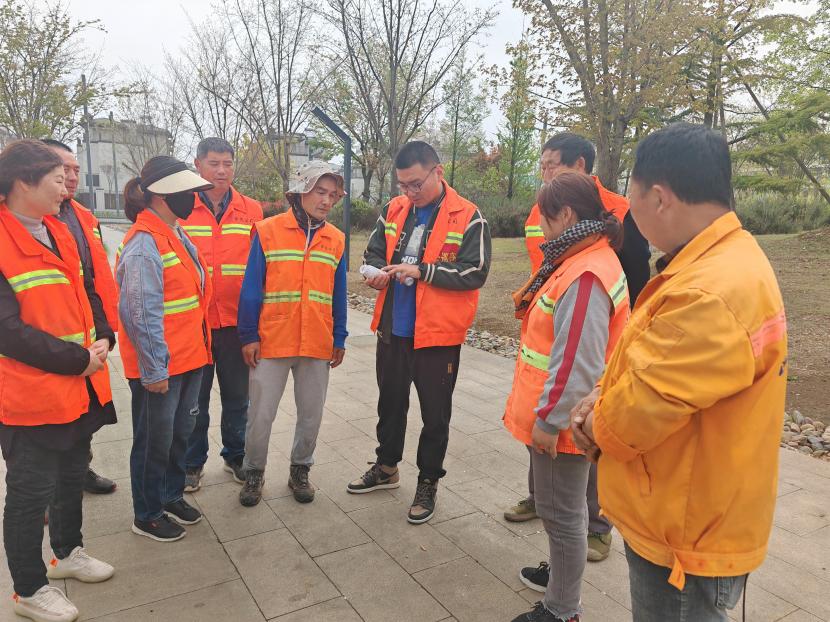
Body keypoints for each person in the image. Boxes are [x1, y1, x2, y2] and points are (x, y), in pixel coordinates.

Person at [571, 123, 787, 621]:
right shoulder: (715, 262)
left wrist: (590, 422)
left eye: (631, 197)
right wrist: (602, 392)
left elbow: (634, 416)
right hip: (682, 506)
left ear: (660, 198)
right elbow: (648, 362)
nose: (630, 210)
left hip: (686, 534)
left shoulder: (710, 291)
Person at [507, 132, 650, 565]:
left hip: (575, 383)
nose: (546, 172)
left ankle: (585, 551)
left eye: (552, 164)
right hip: (559, 352)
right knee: (560, 500)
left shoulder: (593, 262)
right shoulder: (577, 243)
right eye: (543, 165)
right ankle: (549, 521)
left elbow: (580, 359)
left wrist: (550, 420)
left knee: (568, 505)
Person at [0, 140, 115, 622]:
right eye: (56, 177)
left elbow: (84, 290)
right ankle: (29, 589)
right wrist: (77, 360)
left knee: (71, 477)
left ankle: (68, 552)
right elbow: (8, 330)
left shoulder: (57, 230)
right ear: (24, 182)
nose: (66, 185)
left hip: (76, 388)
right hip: (30, 395)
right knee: (29, 494)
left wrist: (104, 334)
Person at [506, 172, 629, 622]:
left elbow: (578, 361)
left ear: (567, 215)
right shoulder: (584, 256)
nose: (539, 226)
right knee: (564, 513)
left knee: (562, 516)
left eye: (544, 217)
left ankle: (561, 609)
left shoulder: (586, 273)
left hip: (562, 423)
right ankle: (560, 578)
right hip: (563, 415)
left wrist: (549, 421)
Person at [347, 141, 492, 524]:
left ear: (437, 172)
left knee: (435, 416)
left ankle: (428, 482)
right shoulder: (394, 209)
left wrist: (422, 271)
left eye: (415, 184)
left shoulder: (469, 216)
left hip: (437, 337)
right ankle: (386, 467)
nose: (409, 192)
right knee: (390, 404)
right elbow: (372, 252)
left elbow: (475, 271)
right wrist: (375, 273)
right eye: (403, 185)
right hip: (393, 330)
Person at [236, 161, 348, 507]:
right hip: (273, 339)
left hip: (317, 340)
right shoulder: (267, 231)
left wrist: (339, 337)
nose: (326, 200)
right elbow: (251, 288)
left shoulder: (336, 239)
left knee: (311, 413)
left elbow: (338, 294)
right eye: (320, 191)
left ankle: (300, 469)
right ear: (300, 192)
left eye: (333, 195)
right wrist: (248, 335)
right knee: (261, 414)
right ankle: (254, 472)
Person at [116, 156, 213, 542]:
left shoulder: (174, 233)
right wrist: (154, 370)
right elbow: (140, 314)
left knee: (179, 435)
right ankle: (147, 513)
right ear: (161, 195)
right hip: (162, 367)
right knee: (153, 442)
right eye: (188, 191)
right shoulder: (144, 244)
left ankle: (170, 495)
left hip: (189, 358)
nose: (194, 198)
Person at [181, 138, 263, 491]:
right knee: (194, 401)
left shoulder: (251, 210)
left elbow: (260, 266)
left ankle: (236, 455)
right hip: (195, 324)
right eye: (214, 163)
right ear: (198, 164)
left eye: (227, 163)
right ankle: (191, 463)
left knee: (238, 397)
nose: (221, 171)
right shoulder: (181, 207)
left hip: (236, 323)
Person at [43, 139, 118, 496]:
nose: (72, 177)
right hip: (45, 337)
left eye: (75, 170)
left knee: (84, 410)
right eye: (64, 171)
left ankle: (79, 469)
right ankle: (44, 489)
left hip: (86, 329)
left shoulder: (84, 217)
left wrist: (105, 331)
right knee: (45, 418)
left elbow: (91, 278)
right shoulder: (28, 219)